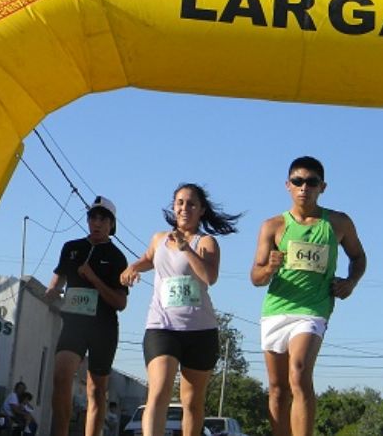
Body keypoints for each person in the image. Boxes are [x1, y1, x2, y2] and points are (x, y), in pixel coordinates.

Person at [250, 156, 366, 436]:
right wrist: (269, 267)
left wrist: (351, 281)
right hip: (276, 309)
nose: (304, 187)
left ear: (322, 187)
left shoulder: (338, 222)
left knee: (299, 373)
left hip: (313, 309)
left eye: (311, 182)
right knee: (278, 389)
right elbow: (255, 277)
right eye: (298, 181)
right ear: (288, 185)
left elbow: (359, 257)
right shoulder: (273, 226)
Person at [120, 183, 241, 436]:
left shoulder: (206, 242)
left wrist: (186, 247)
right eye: (180, 202)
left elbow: (209, 276)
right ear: (174, 207)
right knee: (159, 390)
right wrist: (133, 268)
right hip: (161, 326)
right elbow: (148, 258)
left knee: (193, 403)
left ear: (201, 210)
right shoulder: (159, 238)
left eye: (191, 204)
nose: (185, 208)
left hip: (200, 331)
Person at [44, 196, 129, 436]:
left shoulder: (116, 257)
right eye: (93, 217)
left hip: (103, 328)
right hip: (74, 325)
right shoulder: (71, 247)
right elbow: (57, 279)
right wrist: (51, 292)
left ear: (111, 224)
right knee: (61, 376)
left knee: (96, 390)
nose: (97, 222)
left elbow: (121, 302)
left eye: (103, 218)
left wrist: (93, 278)